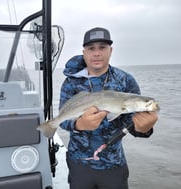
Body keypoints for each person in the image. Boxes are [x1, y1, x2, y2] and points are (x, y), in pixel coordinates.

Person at [59, 27, 158, 189]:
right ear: (84, 52)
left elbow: (130, 124)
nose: (97, 53)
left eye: (102, 47)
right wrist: (79, 125)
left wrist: (144, 129)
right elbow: (62, 121)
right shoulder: (71, 82)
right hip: (78, 162)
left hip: (113, 163)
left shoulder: (125, 81)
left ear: (110, 51)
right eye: (91, 48)